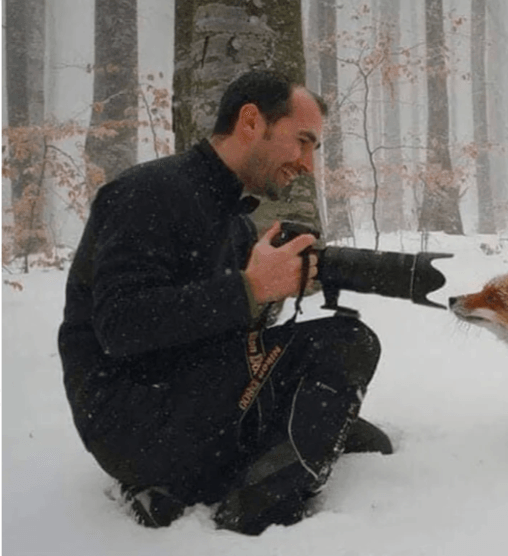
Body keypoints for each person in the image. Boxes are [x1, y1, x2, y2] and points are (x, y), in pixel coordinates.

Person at [58, 70, 392, 535]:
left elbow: (217, 334)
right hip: (133, 421)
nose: (307, 163)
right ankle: (255, 513)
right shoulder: (147, 192)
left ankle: (206, 473)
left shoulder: (233, 223)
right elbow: (120, 327)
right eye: (302, 141)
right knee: (348, 343)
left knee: (347, 415)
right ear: (251, 121)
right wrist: (249, 289)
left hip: (185, 398)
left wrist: (269, 293)